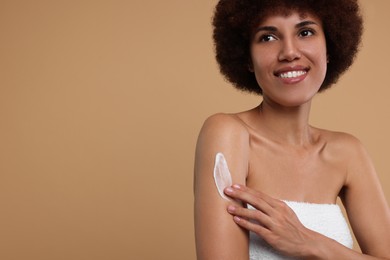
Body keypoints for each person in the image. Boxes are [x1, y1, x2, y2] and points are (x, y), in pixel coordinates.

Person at [194, 0, 390, 259]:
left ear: (329, 47)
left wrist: (311, 243)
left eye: (305, 32)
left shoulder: (347, 153)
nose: (289, 52)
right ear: (247, 58)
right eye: (268, 37)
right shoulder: (228, 134)